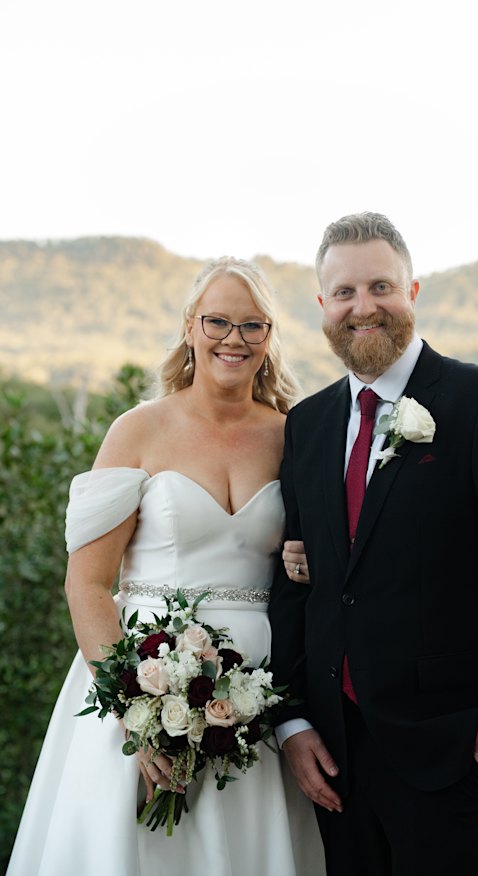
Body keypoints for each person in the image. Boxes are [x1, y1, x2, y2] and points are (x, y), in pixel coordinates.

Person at [269, 212, 478, 876]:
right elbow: (296, 583)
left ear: (413, 292)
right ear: (323, 306)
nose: (363, 306)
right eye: (344, 292)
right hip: (332, 755)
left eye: (381, 286)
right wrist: (290, 722)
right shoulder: (307, 424)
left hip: (451, 752)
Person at [8, 256, 326, 876]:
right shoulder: (137, 431)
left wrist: (311, 562)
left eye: (253, 325)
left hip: (261, 691)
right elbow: (88, 583)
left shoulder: (295, 436)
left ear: (270, 337)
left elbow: (320, 558)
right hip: (142, 677)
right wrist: (135, 714)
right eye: (218, 321)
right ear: (189, 326)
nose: (234, 339)